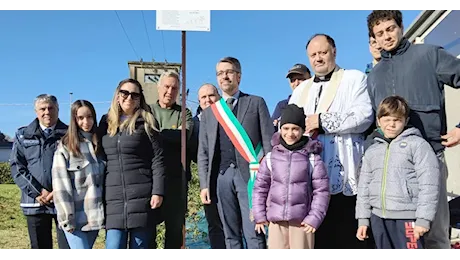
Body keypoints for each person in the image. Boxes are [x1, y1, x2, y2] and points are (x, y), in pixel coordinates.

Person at [366, 9, 460, 249]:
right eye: (379, 33)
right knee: (403, 242)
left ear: (400, 27)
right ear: (373, 39)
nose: (386, 36)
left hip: (430, 159)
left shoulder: (429, 55)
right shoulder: (374, 76)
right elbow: (373, 125)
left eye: (390, 29)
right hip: (392, 170)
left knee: (436, 235)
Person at [289, 33, 375, 255]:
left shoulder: (354, 79)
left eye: (323, 52)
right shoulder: (300, 90)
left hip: (345, 173)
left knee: (348, 240)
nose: (318, 58)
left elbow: (364, 115)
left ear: (334, 52)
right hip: (309, 178)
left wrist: (321, 121)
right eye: (313, 55)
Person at [198, 56, 274, 249]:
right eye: (220, 73)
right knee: (230, 236)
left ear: (238, 76)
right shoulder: (210, 113)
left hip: (251, 178)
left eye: (229, 72)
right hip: (221, 177)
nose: (225, 77)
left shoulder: (256, 103)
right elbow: (204, 152)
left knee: (254, 233)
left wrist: (271, 179)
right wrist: (204, 184)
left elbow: (269, 143)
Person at [356, 95, 440, 250]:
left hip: (407, 217)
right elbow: (363, 187)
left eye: (397, 120)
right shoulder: (372, 150)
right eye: (387, 119)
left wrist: (423, 219)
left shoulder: (418, 145)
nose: (391, 125)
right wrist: (363, 219)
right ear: (378, 120)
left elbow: (429, 183)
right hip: (378, 218)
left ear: (405, 121)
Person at [252, 104, 330, 249]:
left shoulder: (312, 159)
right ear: (280, 129)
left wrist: (314, 217)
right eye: (286, 128)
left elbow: (322, 192)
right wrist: (259, 215)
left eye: (295, 129)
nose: (290, 133)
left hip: (302, 222)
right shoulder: (270, 158)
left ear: (302, 130)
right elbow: (260, 189)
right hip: (276, 222)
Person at [99, 78, 165, 249]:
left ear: (140, 99)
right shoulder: (105, 123)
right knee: (113, 246)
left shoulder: (147, 122)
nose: (129, 97)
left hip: (142, 196)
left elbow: (158, 159)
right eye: (125, 93)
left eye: (135, 95)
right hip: (113, 198)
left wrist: (158, 191)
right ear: (117, 95)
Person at [10, 94, 70, 251]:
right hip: (34, 202)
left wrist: (58, 191)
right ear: (36, 111)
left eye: (51, 108)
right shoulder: (23, 135)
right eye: (42, 109)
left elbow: (76, 166)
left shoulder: (70, 134)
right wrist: (38, 191)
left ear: (58, 109)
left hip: (63, 201)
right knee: (39, 249)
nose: (47, 112)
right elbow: (17, 166)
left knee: (67, 248)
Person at [52, 100, 105, 249]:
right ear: (74, 120)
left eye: (89, 117)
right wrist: (67, 219)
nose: (86, 122)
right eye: (80, 118)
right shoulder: (66, 147)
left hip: (93, 218)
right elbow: (60, 186)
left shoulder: (100, 145)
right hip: (74, 220)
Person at [149, 70, 193, 250]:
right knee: (147, 232)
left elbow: (184, 137)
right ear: (159, 87)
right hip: (151, 180)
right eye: (166, 86)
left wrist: (157, 134)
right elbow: (145, 139)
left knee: (174, 234)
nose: (170, 91)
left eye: (174, 88)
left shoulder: (185, 113)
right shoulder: (147, 110)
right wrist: (170, 135)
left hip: (177, 180)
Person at [189, 83, 226, 249]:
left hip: (228, 176)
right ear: (198, 101)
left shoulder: (230, 119)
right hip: (206, 180)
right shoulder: (193, 124)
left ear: (218, 97)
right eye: (203, 97)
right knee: (214, 225)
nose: (208, 100)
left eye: (211, 95)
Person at [271, 64, 311, 130]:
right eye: (293, 80)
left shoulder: (317, 100)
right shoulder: (282, 105)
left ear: (310, 79)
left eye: (301, 79)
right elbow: (272, 130)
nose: (296, 83)